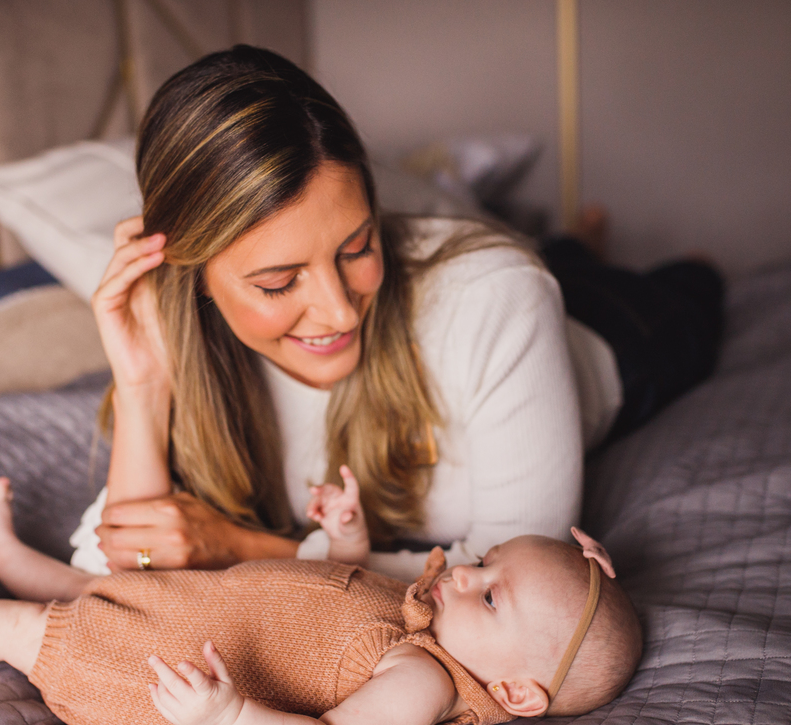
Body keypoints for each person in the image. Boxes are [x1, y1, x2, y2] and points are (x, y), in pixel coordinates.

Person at [77, 44, 608, 583]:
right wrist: (141, 388)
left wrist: (243, 548)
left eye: (357, 248)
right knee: (568, 255)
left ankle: (635, 257)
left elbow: (523, 584)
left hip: (614, 348)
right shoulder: (181, 329)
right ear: (194, 274)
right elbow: (113, 573)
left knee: (680, 294)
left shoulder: (499, 294)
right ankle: (576, 243)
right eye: (279, 282)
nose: (340, 314)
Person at [0, 478, 643, 725]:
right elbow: (350, 584)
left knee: (32, 631)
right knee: (95, 585)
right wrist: (351, 535)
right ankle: (3, 553)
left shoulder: (427, 679)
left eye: (492, 596)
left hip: (158, 669)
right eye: (489, 559)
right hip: (187, 606)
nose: (466, 573)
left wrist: (226, 716)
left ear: (514, 693)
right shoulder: (435, 608)